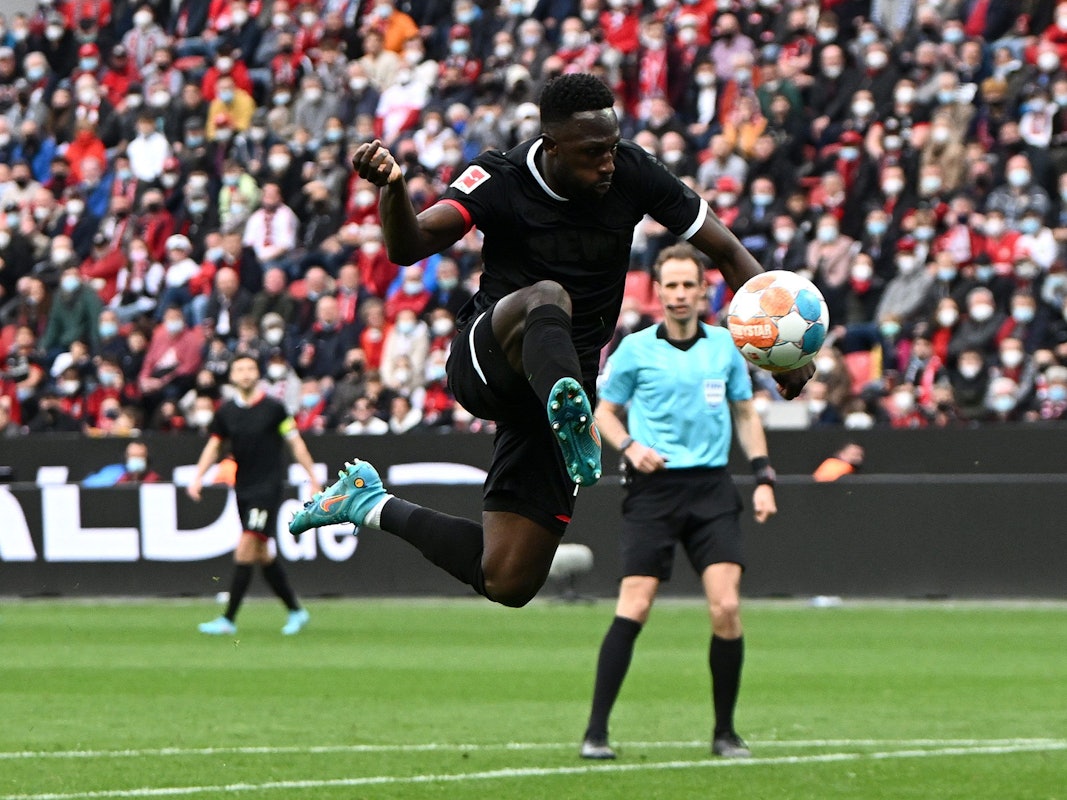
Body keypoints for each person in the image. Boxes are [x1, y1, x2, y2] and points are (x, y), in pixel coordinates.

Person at [289, 73, 810, 609]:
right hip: (490, 358)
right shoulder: (499, 176)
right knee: (547, 297)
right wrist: (394, 189)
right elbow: (411, 244)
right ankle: (571, 411)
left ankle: (368, 503)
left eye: (612, 146)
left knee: (509, 580)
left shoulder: (631, 170)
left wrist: (780, 347)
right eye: (593, 152)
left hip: (556, 399)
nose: (608, 162)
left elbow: (724, 249)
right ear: (552, 146)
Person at [578, 244, 777, 761]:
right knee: (635, 605)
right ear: (658, 292)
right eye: (672, 285)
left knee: (726, 607)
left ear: (704, 291)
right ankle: (595, 733)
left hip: (711, 488)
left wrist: (762, 475)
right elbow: (605, 413)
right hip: (654, 489)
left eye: (690, 285)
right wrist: (630, 447)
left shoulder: (727, 347)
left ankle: (725, 733)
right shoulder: (635, 350)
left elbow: (746, 415)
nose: (681, 294)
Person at [188, 355, 320, 636]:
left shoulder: (274, 409)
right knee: (262, 554)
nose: (245, 373)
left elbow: (295, 443)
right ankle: (296, 611)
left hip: (267, 489)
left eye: (250, 368)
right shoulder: (226, 413)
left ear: (257, 374)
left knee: (246, 546)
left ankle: (228, 619)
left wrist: (313, 478)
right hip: (243, 488)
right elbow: (214, 446)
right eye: (240, 369)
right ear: (232, 377)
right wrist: (198, 477)